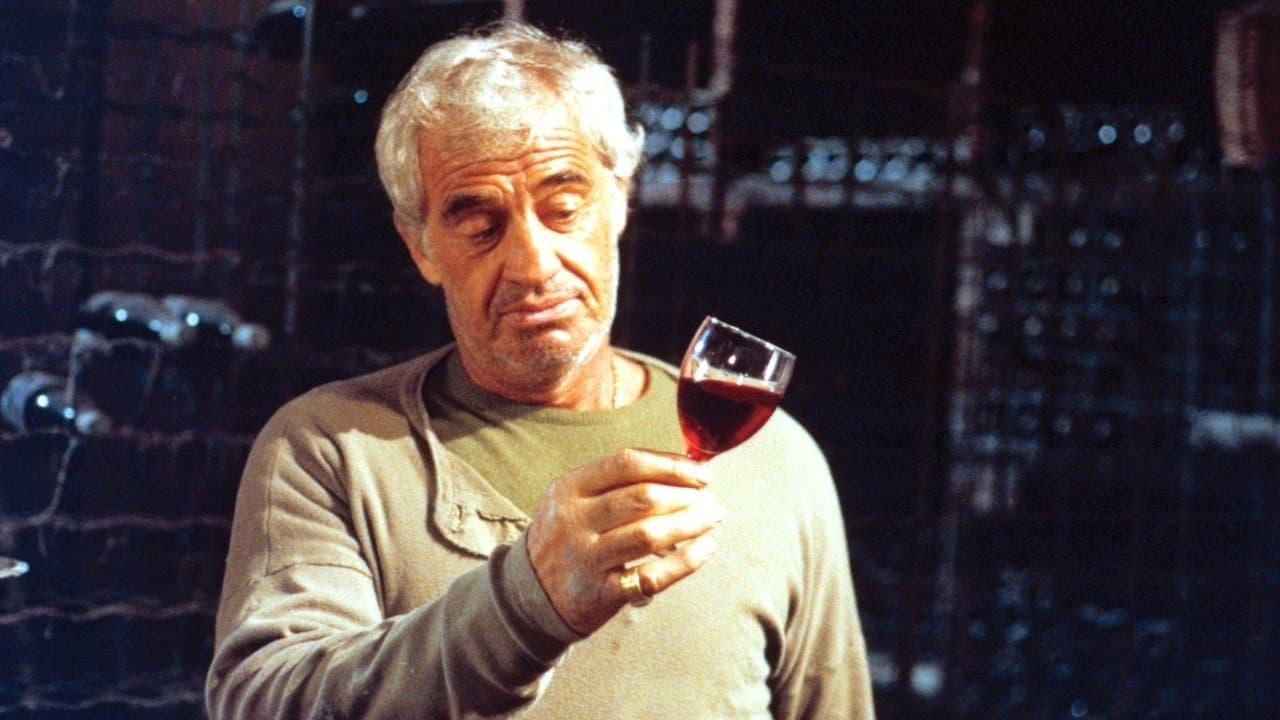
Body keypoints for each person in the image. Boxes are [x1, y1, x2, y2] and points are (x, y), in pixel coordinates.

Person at [205, 20, 874, 719]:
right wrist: (527, 604)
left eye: (563, 209)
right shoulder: (329, 452)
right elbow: (265, 703)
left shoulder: (778, 462)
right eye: (480, 226)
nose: (532, 265)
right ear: (421, 245)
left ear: (619, 200)